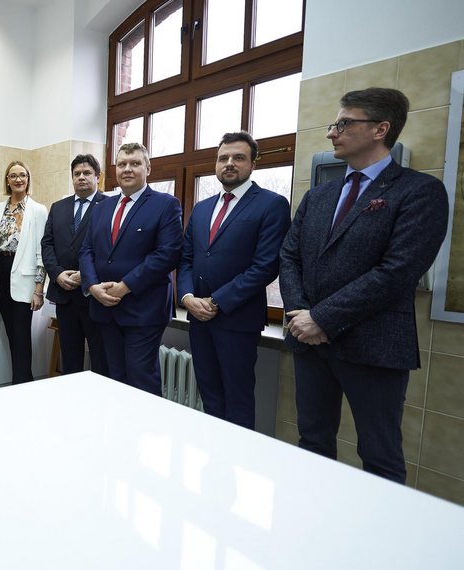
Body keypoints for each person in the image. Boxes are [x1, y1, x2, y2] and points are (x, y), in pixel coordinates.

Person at [279, 87, 449, 483]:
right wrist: (301, 315)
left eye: (343, 124)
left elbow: (397, 271)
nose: (331, 133)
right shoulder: (319, 196)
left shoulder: (418, 192)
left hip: (373, 345)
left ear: (380, 129)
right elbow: (289, 257)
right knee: (312, 443)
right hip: (309, 344)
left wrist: (321, 318)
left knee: (379, 455)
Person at [177, 132, 291, 429]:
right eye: (223, 158)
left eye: (238, 157)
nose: (229, 163)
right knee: (209, 397)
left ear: (253, 164)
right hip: (199, 320)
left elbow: (265, 266)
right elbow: (186, 259)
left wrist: (216, 301)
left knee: (237, 402)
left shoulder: (272, 204)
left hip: (237, 320)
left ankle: (237, 456)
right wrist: (187, 298)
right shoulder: (202, 208)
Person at [79, 142, 183, 395]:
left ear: (148, 168)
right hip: (104, 308)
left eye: (135, 163)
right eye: (122, 164)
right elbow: (87, 250)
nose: (127, 169)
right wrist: (92, 286)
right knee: (113, 379)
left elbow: (167, 255)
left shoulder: (165, 204)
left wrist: (125, 287)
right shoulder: (101, 207)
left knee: (140, 379)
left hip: (144, 310)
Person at [41, 154, 109, 376]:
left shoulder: (109, 206)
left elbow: (110, 249)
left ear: (97, 177)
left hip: (94, 296)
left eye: (87, 173)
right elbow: (47, 244)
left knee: (100, 357)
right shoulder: (58, 207)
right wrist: (57, 274)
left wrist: (86, 275)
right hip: (64, 295)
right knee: (69, 357)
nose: (81, 177)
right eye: (77, 173)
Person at [0, 160, 48, 384]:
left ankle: (23, 383)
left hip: (25, 279)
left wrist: (38, 289)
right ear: (7, 180)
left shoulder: (38, 210)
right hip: (1, 275)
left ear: (28, 179)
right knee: (11, 334)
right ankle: (22, 382)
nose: (18, 179)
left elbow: (42, 252)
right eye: (13, 175)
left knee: (22, 335)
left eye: (22, 175)